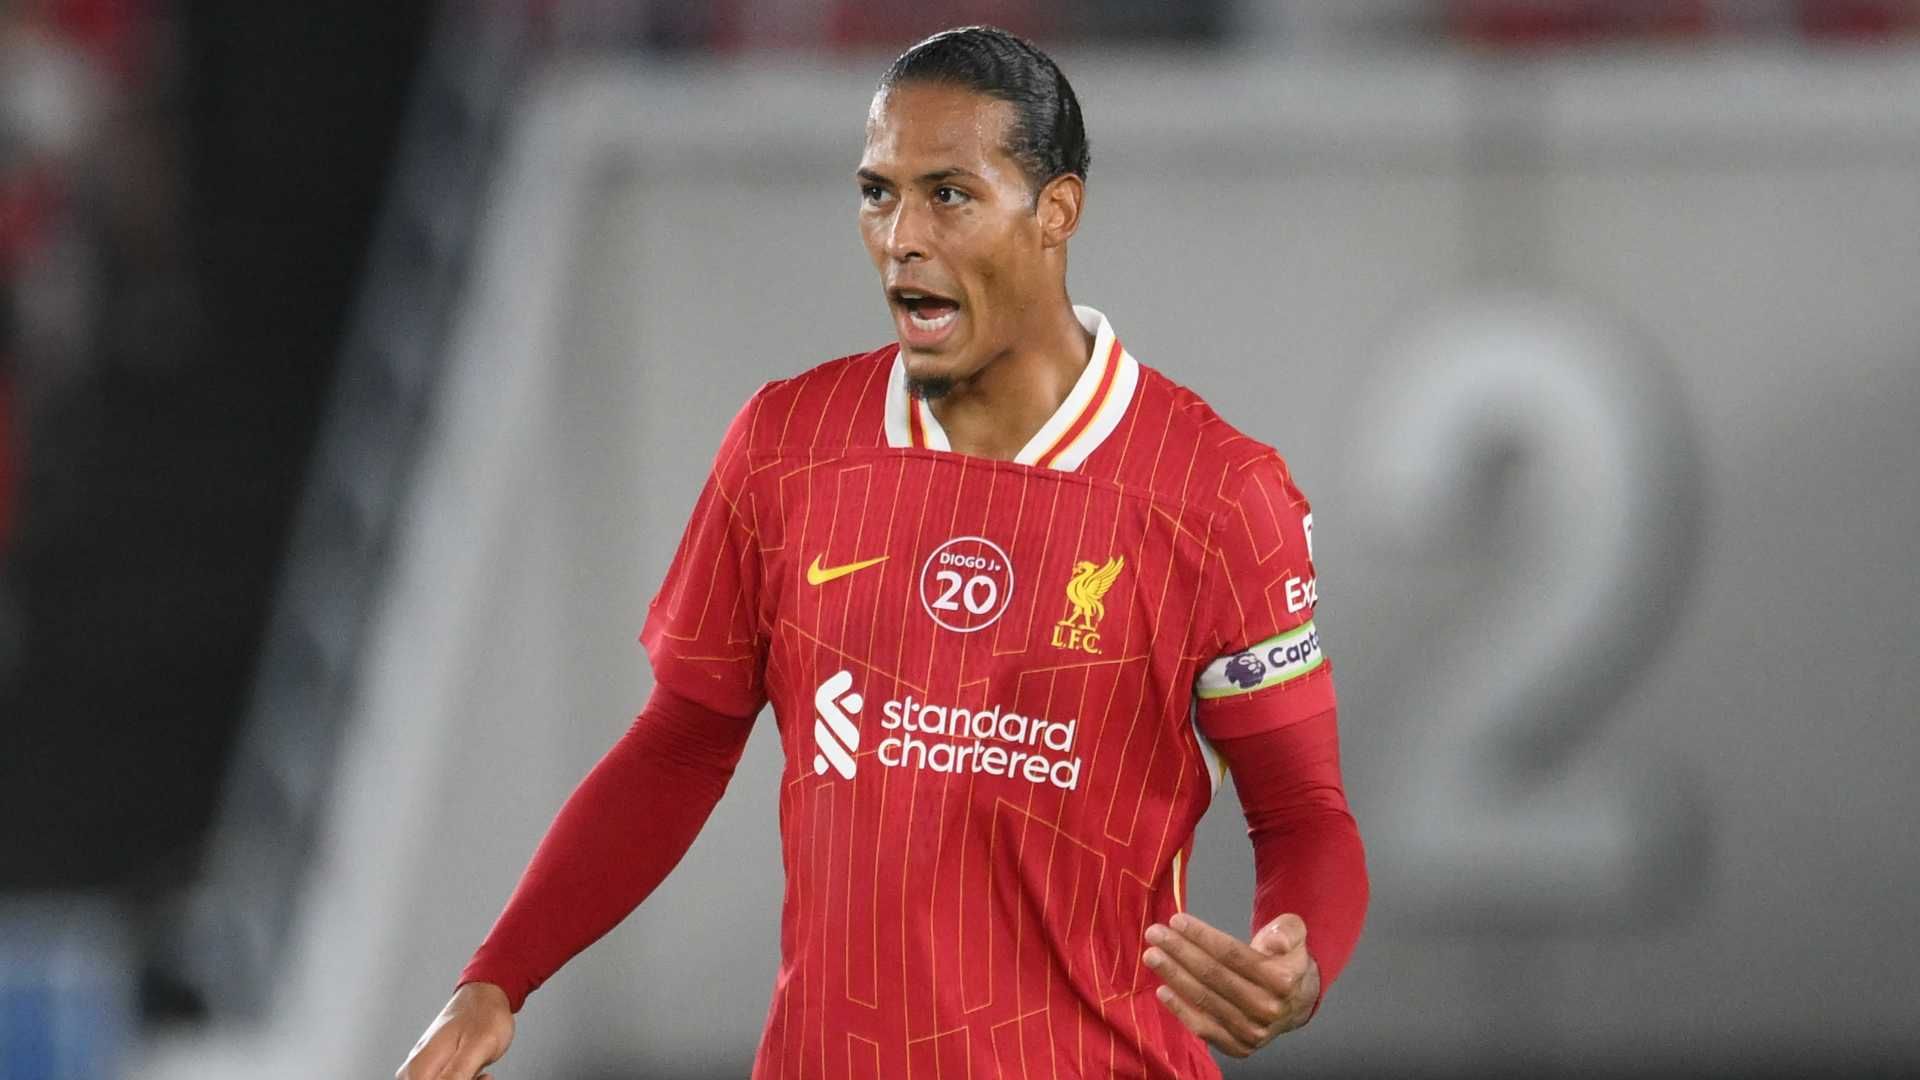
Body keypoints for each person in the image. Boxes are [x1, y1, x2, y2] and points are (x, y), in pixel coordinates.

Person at [397, 25, 1367, 1080]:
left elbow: (1302, 811)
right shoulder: (788, 446)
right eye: (877, 193)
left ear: (1056, 211)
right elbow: (680, 744)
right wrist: (498, 978)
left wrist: (1299, 958)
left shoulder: (1217, 492)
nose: (902, 237)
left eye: (948, 194)